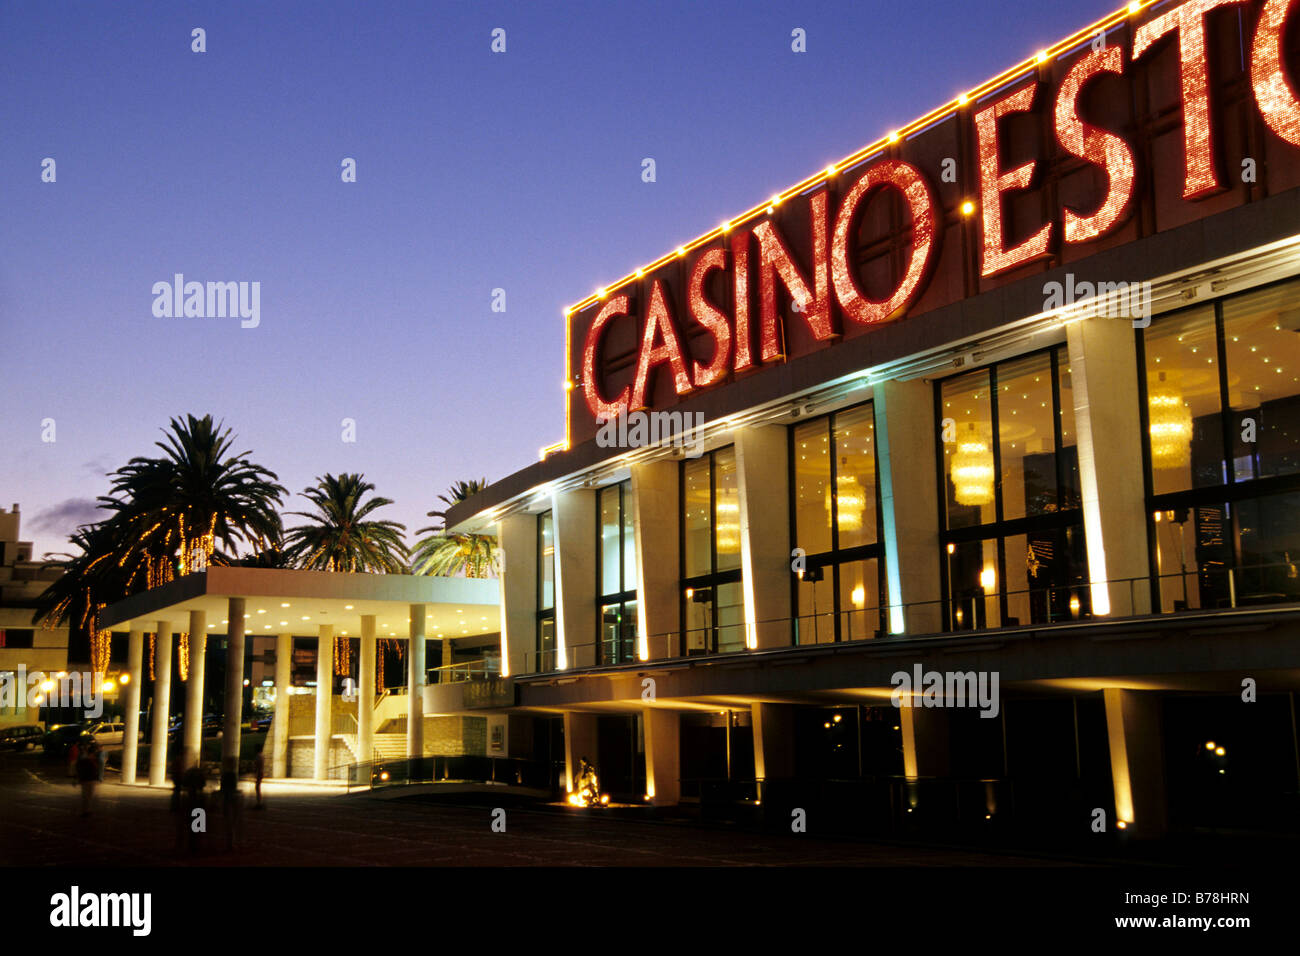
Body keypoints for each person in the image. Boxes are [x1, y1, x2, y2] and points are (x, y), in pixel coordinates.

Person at [76, 742, 99, 815]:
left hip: (89, 779)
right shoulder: (86, 760)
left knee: (88, 796)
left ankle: (87, 810)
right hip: (87, 780)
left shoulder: (89, 760)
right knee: (87, 796)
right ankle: (86, 810)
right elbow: (81, 770)